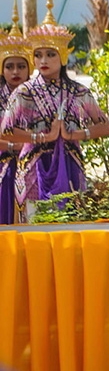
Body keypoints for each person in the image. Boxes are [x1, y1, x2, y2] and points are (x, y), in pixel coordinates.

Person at [0, 0, 109, 222]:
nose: (43, 60)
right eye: (38, 55)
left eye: (50, 54)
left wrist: (74, 134)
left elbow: (105, 126)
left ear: (62, 56)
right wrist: (41, 138)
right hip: (32, 169)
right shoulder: (25, 92)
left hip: (70, 165)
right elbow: (7, 130)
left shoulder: (78, 92)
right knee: (33, 227)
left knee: (69, 225)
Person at [0, 16, 31, 225]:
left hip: (33, 166)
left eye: (21, 66)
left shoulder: (38, 98)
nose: (15, 72)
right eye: (9, 66)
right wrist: (13, 145)